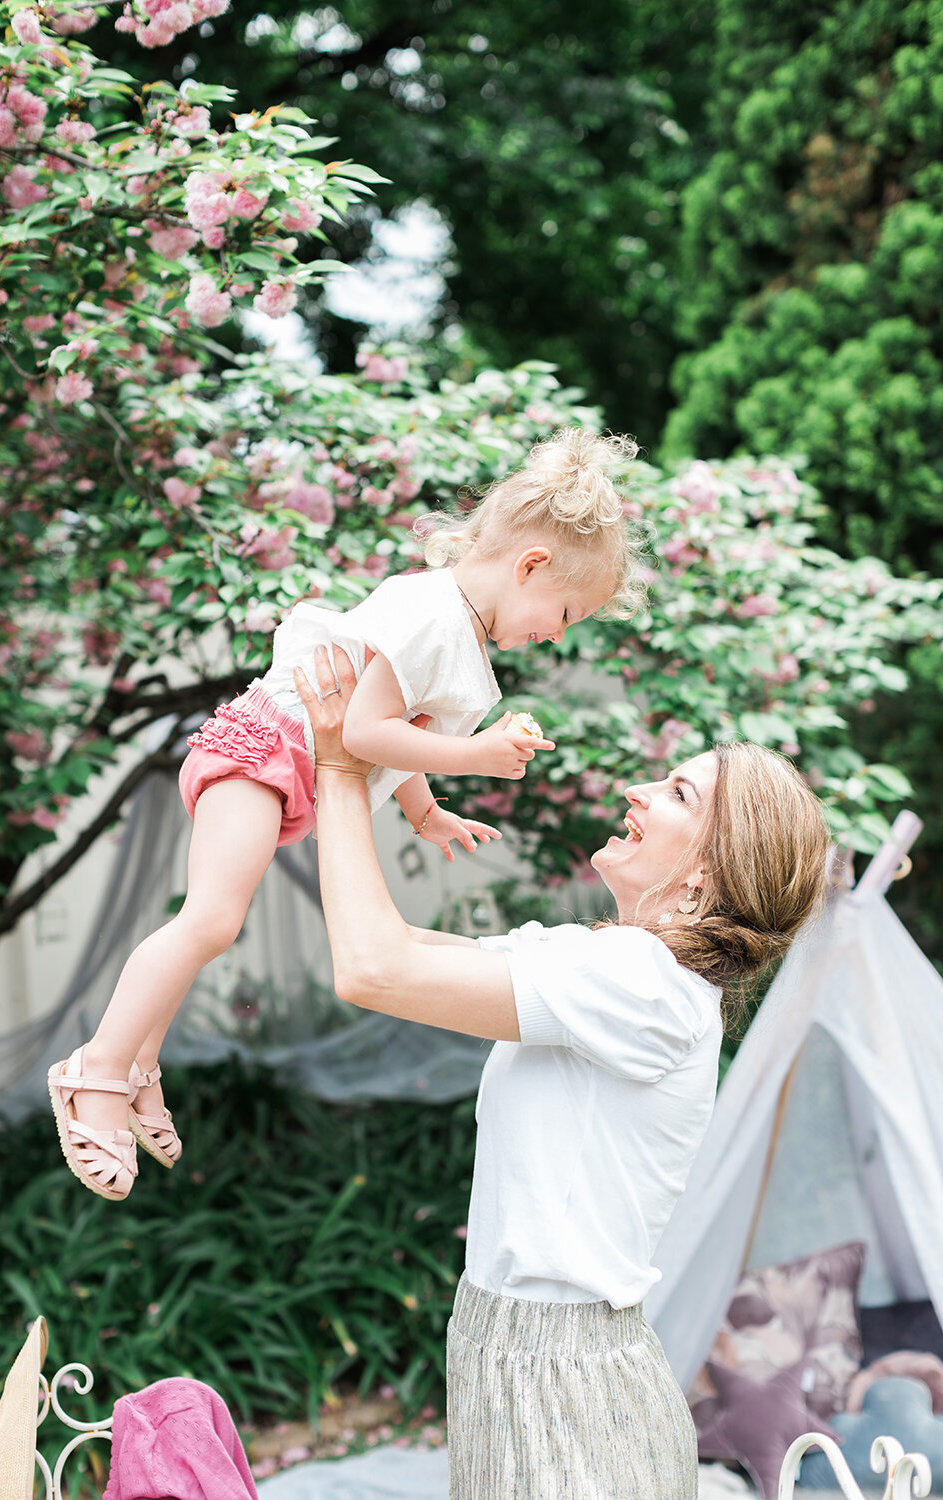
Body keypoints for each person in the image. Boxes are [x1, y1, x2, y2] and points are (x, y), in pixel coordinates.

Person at [49, 427, 645, 1201]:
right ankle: (95, 1072)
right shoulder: (432, 614)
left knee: (213, 925)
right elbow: (362, 732)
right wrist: (478, 754)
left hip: (286, 773)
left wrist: (427, 812)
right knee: (211, 920)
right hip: (261, 752)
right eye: (564, 613)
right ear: (531, 565)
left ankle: (136, 1065)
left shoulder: (457, 634)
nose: (557, 635)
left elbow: (398, 739)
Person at [292, 643, 829, 1500]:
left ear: (707, 872)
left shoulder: (641, 984)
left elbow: (370, 968)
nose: (637, 792)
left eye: (678, 793)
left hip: (570, 1387)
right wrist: (386, 762)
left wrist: (339, 761)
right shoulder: (604, 963)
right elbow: (395, 947)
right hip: (513, 1355)